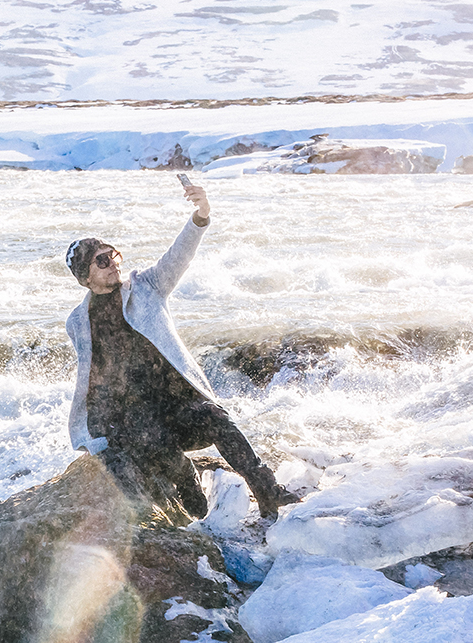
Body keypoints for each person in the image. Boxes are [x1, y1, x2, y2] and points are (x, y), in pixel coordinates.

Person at [64, 180, 300, 521]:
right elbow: (91, 378)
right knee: (152, 442)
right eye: (102, 261)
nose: (113, 263)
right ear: (85, 277)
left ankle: (267, 489)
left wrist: (200, 216)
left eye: (113, 255)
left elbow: (180, 256)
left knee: (219, 420)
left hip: (179, 405)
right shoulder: (78, 322)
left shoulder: (147, 286)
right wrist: (94, 433)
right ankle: (193, 505)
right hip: (136, 421)